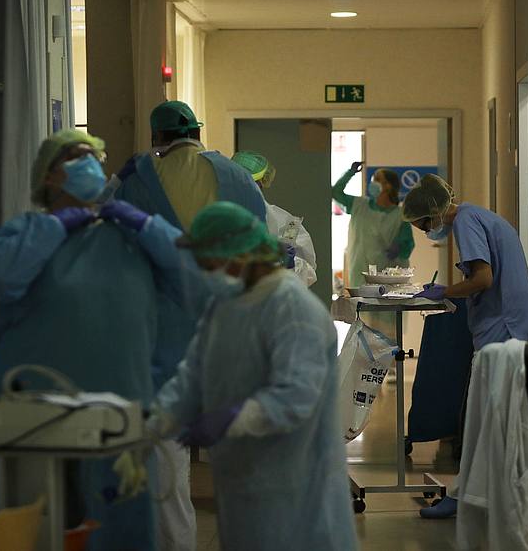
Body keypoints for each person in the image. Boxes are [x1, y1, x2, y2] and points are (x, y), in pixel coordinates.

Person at [0, 128, 187, 551]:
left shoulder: (128, 238)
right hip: (38, 419)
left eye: (95, 156)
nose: (89, 164)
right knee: (45, 525)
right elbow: (1, 275)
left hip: (121, 415)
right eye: (74, 157)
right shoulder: (26, 233)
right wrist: (55, 227)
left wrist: (141, 221)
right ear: (48, 177)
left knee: (119, 525)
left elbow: (191, 267)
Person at [150, 201, 358, 551]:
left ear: (239, 255)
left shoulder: (292, 308)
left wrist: (232, 417)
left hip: (296, 484)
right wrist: (155, 420)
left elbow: (295, 397)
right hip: (242, 479)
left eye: (209, 261)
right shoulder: (225, 305)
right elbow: (193, 374)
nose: (202, 271)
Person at [114, 100, 266, 551]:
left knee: (166, 460)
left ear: (157, 137)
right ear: (198, 132)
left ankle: (177, 544)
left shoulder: (137, 182)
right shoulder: (238, 179)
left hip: (163, 339)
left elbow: (113, 244)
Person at [402, 173, 528, 519]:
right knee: (495, 416)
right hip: (510, 322)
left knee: (485, 418)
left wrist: (444, 292)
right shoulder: (480, 215)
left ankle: (466, 496)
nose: (424, 232)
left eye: (422, 225)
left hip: (503, 327)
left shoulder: (465, 221)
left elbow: (483, 279)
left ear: (433, 212)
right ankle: (483, 492)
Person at [231, 150, 318, 287]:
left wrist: (291, 264)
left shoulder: (285, 223)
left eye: (250, 183)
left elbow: (309, 274)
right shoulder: (219, 219)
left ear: (261, 183)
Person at [333, 161, 415, 288]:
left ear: (388, 186)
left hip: (388, 276)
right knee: (362, 305)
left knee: (387, 306)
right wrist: (350, 173)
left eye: (377, 179)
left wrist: (399, 247)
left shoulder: (400, 215)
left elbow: (407, 246)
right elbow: (335, 193)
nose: (372, 183)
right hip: (359, 273)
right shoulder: (359, 205)